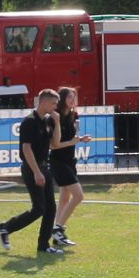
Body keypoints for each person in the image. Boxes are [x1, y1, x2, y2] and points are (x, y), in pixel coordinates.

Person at [0, 90, 61, 257]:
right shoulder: (29, 122)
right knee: (39, 208)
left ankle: (43, 245)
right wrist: (37, 172)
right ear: (45, 102)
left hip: (44, 167)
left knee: (50, 208)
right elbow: (26, 148)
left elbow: (55, 143)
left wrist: (57, 122)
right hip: (32, 168)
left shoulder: (47, 121)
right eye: (54, 103)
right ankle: (6, 227)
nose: (55, 107)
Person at [49, 86, 85, 250]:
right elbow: (54, 146)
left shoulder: (72, 115)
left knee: (65, 197)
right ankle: (59, 229)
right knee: (79, 196)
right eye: (70, 97)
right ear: (62, 99)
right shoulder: (54, 118)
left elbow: (71, 139)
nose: (73, 100)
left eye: (74, 97)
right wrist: (72, 142)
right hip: (58, 162)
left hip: (70, 161)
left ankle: (57, 233)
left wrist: (80, 139)